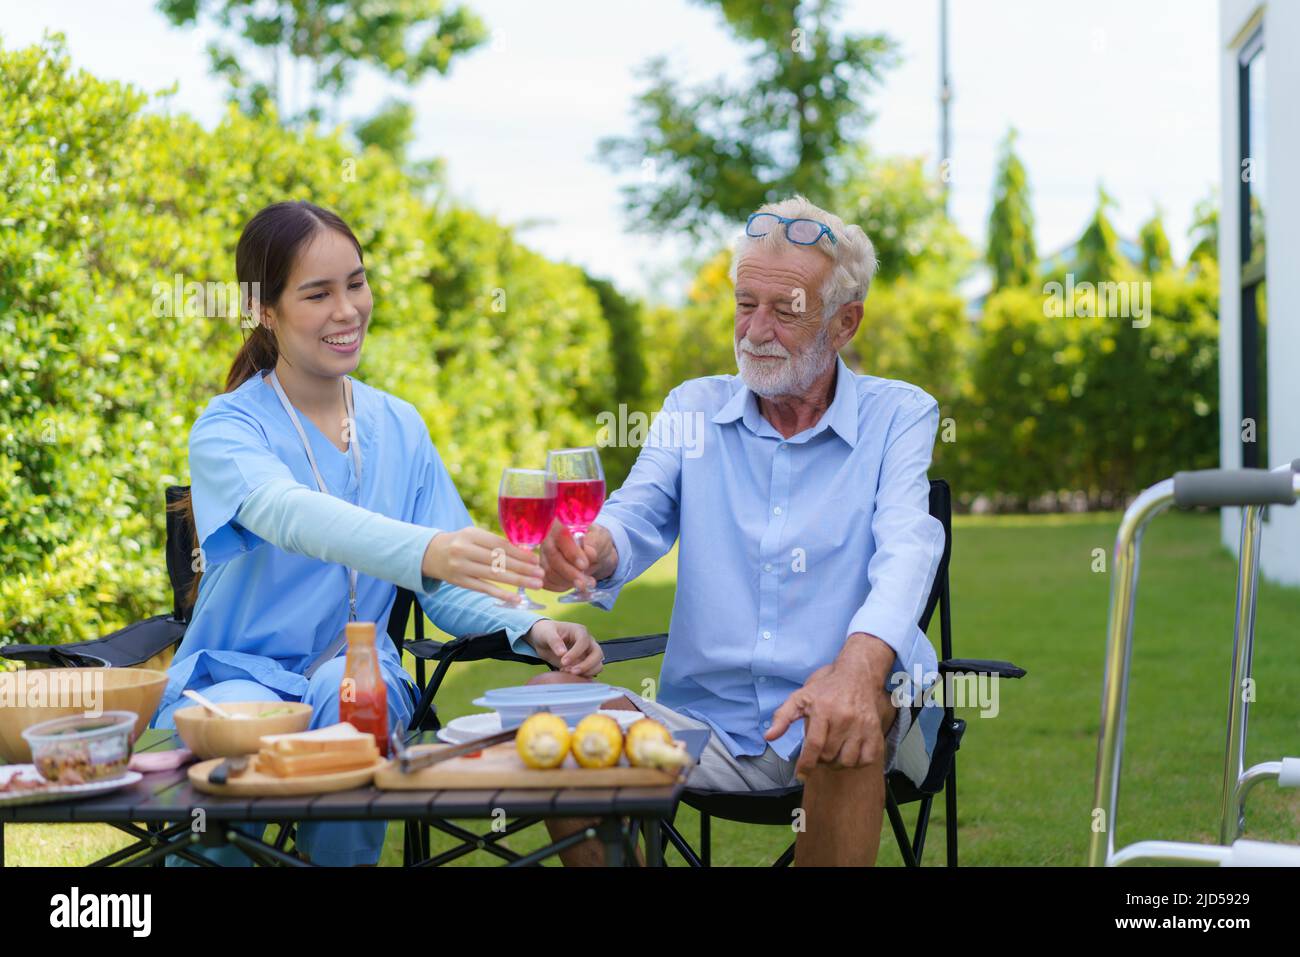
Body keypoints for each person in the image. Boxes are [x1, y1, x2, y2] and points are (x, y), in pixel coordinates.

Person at [154, 200, 602, 866]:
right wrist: (428, 548)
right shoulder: (228, 429)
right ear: (264, 310)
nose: (348, 309)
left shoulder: (400, 427)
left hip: (357, 670)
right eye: (317, 293)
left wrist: (528, 626)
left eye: (355, 282)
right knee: (230, 776)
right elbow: (289, 511)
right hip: (236, 673)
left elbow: (450, 584)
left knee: (352, 701)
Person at [538, 196, 945, 866]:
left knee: (843, 716)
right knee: (549, 709)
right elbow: (636, 511)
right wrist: (593, 549)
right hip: (699, 728)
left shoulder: (898, 414)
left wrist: (856, 668)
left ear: (845, 322)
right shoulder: (691, 406)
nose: (755, 330)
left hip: (845, 709)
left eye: (785, 310)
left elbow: (908, 548)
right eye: (744, 303)